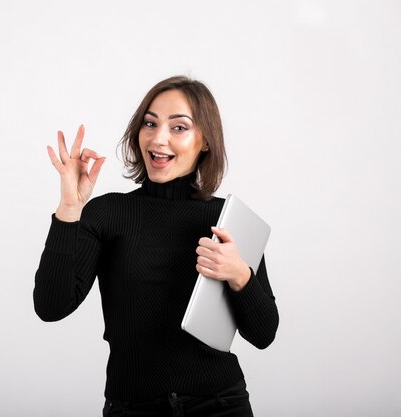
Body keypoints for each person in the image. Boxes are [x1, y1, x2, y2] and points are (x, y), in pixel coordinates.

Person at [34, 76, 279, 417]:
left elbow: (264, 333)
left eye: (179, 128)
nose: (158, 138)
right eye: (150, 123)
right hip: (131, 408)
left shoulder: (227, 219)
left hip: (220, 405)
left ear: (205, 141)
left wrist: (240, 275)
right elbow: (51, 306)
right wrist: (69, 211)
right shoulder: (107, 213)